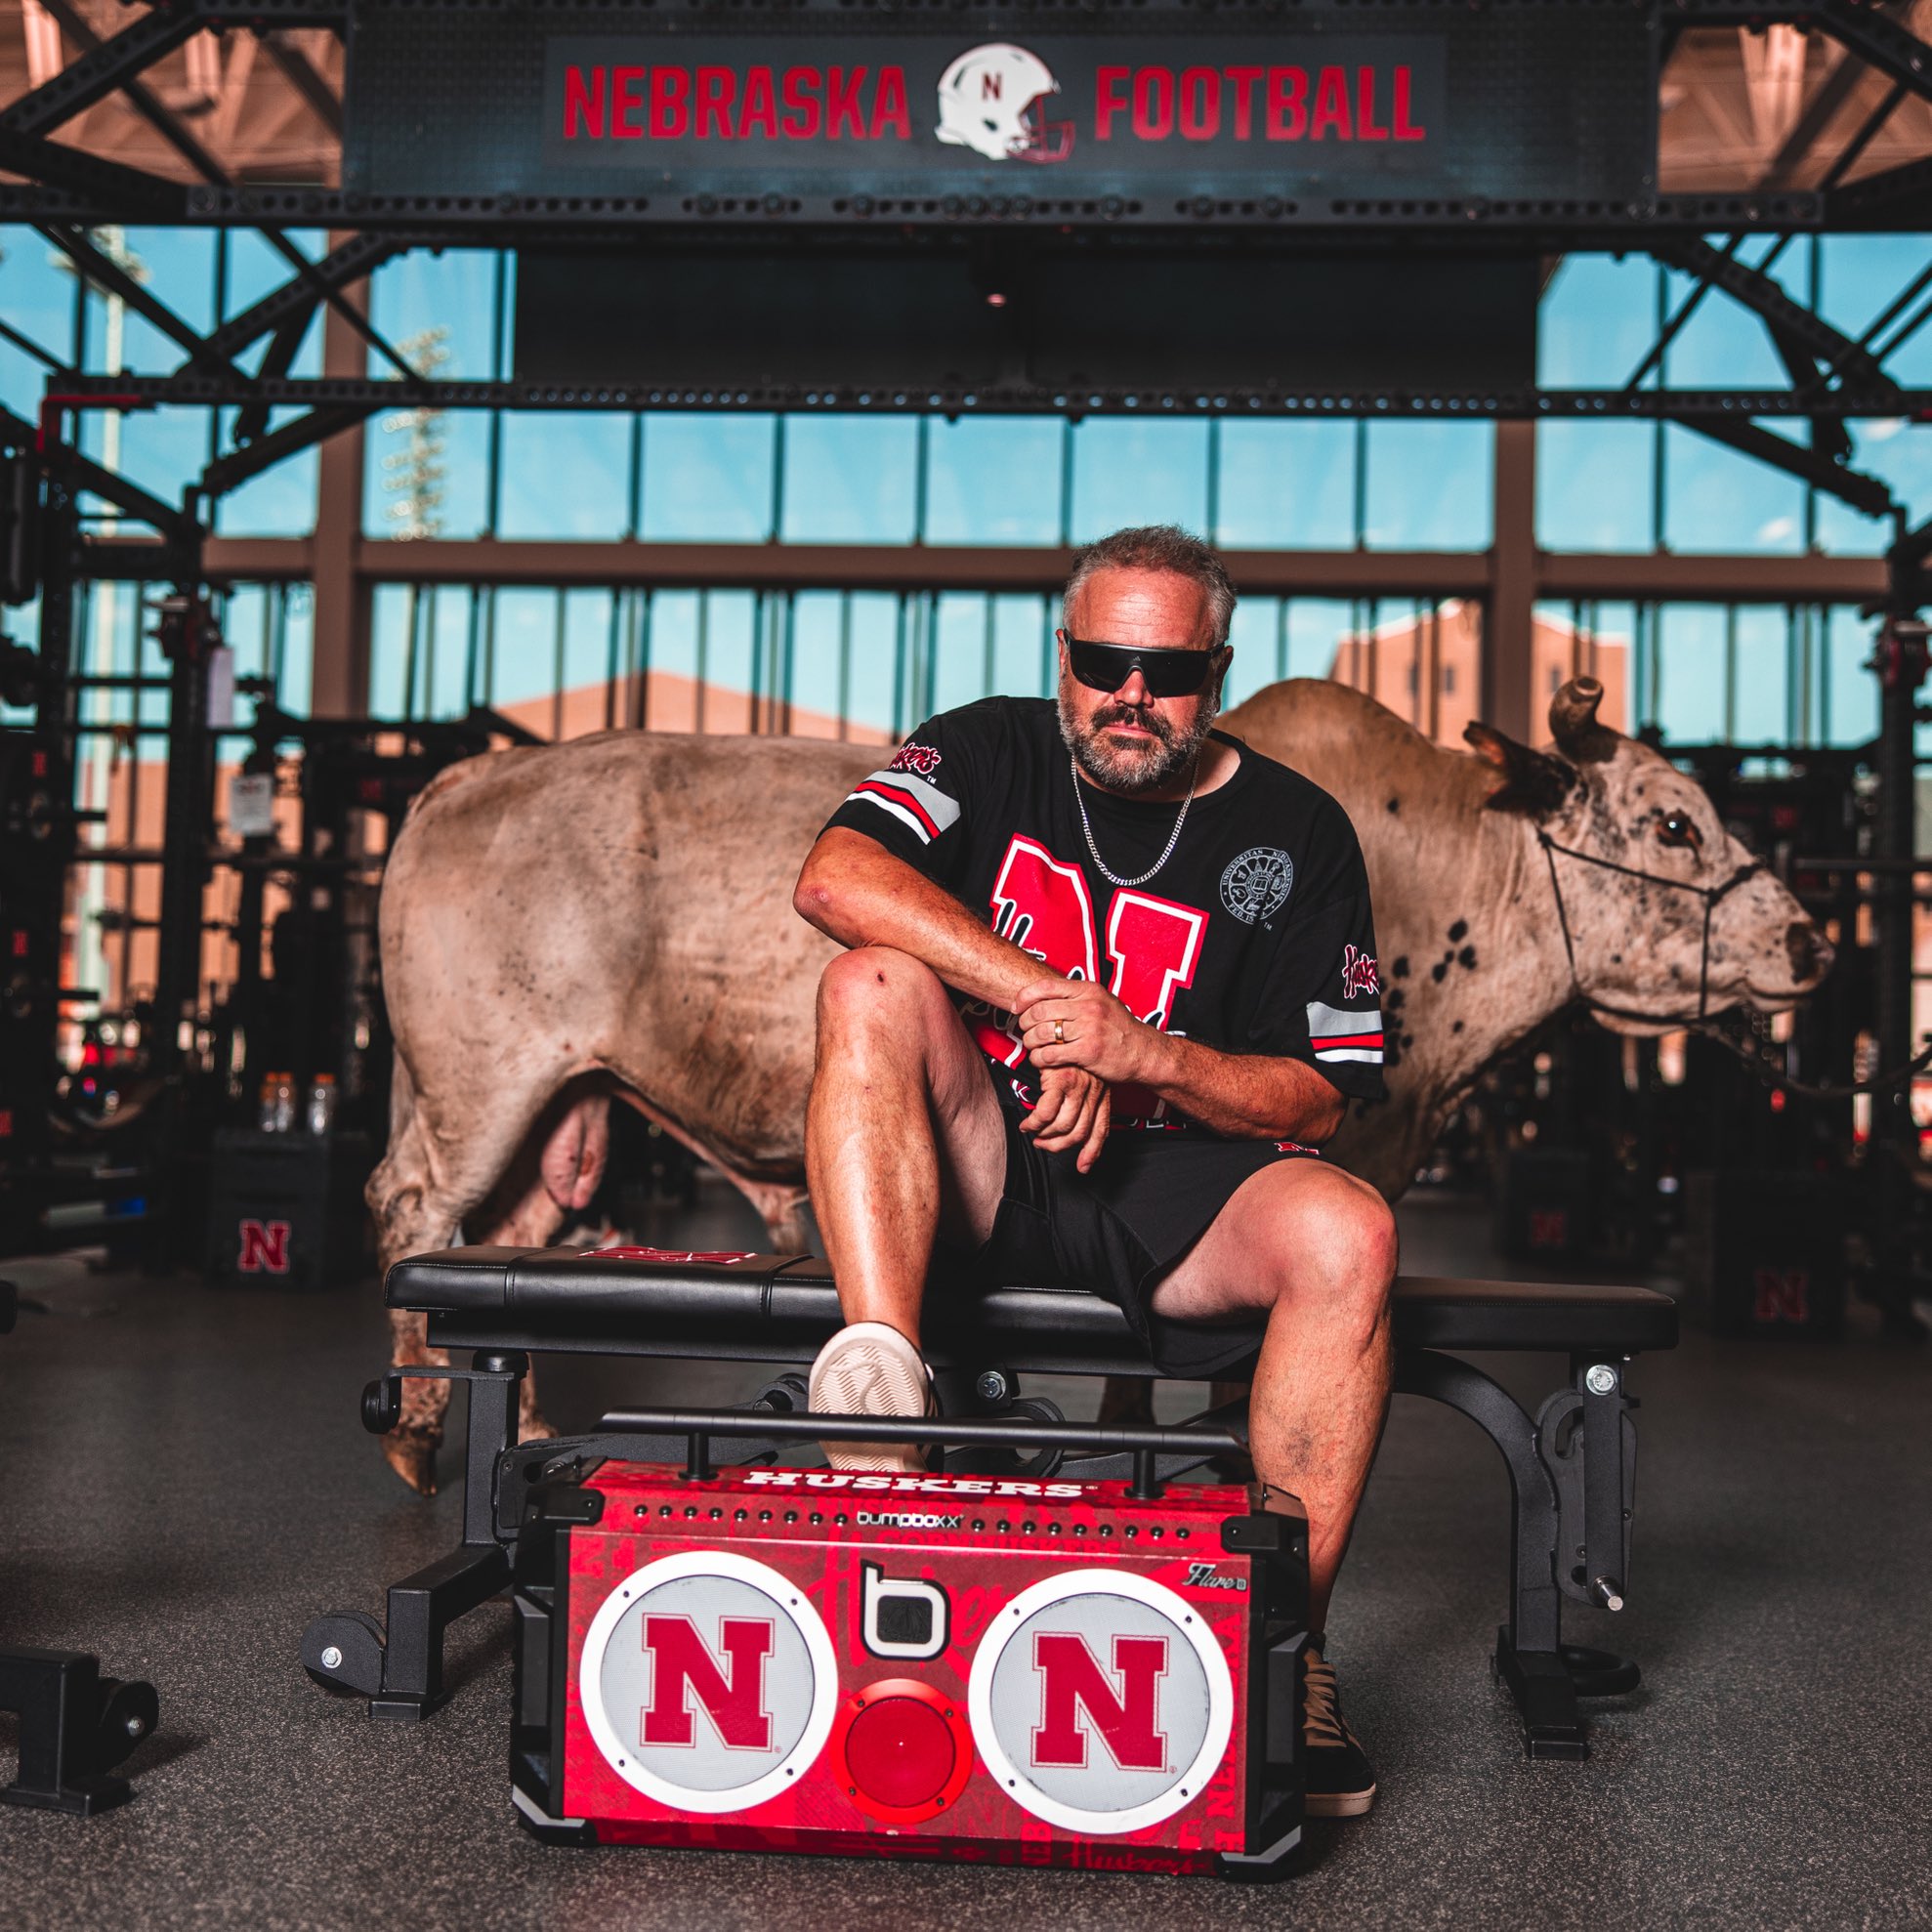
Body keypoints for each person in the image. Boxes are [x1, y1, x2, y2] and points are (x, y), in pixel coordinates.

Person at [791, 525, 1397, 1819]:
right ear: (1061, 655)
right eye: (1102, 661)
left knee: (1349, 1231)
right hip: (978, 1158)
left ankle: (1286, 1648)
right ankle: (880, 1405)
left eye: (1166, 670)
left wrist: (1144, 1055)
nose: (1130, 693)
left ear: (1217, 672)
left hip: (1182, 1188)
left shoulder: (1298, 829)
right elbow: (834, 878)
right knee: (868, 981)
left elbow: (1322, 1094)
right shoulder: (982, 747)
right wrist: (1048, 1000)